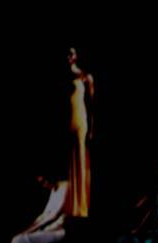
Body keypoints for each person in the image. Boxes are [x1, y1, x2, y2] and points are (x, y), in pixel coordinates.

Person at [66, 47, 94, 218]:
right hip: (68, 121)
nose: (69, 56)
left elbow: (92, 106)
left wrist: (92, 127)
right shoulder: (63, 77)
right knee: (71, 162)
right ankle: (73, 203)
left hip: (81, 120)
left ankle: (82, 205)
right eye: (67, 54)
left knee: (82, 160)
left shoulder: (85, 76)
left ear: (76, 56)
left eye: (71, 53)